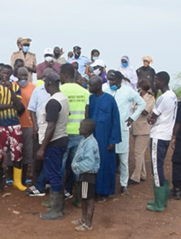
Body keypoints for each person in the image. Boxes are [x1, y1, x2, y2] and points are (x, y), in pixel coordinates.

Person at [103, 70, 146, 195]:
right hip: (108, 129)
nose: (111, 82)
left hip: (122, 128)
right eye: (109, 80)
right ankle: (109, 184)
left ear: (119, 80)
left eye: (113, 80)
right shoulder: (105, 89)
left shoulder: (128, 91)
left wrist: (133, 117)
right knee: (108, 158)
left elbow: (142, 103)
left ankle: (123, 184)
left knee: (123, 159)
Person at [37, 71, 70, 220]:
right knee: (57, 173)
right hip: (61, 139)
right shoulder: (63, 98)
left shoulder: (53, 102)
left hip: (53, 142)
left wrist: (42, 148)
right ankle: (58, 206)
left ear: (49, 84)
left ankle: (56, 210)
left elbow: (51, 126)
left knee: (53, 175)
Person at [0, 65, 27, 191]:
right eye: (2, 73)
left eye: (7, 73)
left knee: (17, 153)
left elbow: (18, 106)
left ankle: (17, 182)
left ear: (10, 74)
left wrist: (11, 90)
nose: (4, 75)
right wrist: (10, 106)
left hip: (14, 124)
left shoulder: (16, 87)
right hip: (0, 124)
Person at [59, 63, 90, 204]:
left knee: (60, 167)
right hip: (80, 134)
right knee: (78, 167)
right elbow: (87, 114)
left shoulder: (60, 90)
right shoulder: (84, 91)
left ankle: (58, 199)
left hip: (63, 134)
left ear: (65, 75)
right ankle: (79, 199)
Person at [147, 71, 177, 212]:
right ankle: (162, 199)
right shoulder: (173, 96)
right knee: (159, 165)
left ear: (163, 81)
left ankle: (159, 202)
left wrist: (148, 119)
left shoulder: (163, 98)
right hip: (166, 135)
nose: (154, 83)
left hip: (158, 135)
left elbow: (152, 118)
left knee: (156, 168)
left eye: (156, 80)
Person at [88, 75, 121, 200]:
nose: (89, 87)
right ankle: (94, 191)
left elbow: (115, 121)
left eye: (91, 85)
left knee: (106, 166)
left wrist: (113, 141)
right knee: (93, 165)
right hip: (93, 138)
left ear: (98, 86)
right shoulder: (90, 99)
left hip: (106, 139)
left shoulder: (109, 100)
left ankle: (105, 192)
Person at [26, 68, 55, 197]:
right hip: (40, 128)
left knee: (50, 156)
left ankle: (46, 182)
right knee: (38, 157)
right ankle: (37, 182)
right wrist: (35, 126)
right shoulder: (37, 91)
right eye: (45, 77)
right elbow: (32, 109)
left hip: (52, 127)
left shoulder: (57, 91)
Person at [71, 119, 100, 231]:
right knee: (84, 197)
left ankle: (88, 223)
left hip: (88, 175)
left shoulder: (89, 144)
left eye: (81, 127)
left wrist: (76, 167)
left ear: (86, 130)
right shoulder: (85, 140)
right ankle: (83, 219)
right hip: (85, 174)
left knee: (89, 199)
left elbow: (89, 163)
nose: (79, 129)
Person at [129, 78, 155, 185]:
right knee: (140, 153)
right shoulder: (137, 96)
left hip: (144, 128)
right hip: (136, 127)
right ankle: (142, 174)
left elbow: (145, 112)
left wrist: (136, 109)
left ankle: (136, 176)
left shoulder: (150, 98)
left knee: (138, 153)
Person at [16, 67, 36, 186]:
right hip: (15, 124)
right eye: (21, 76)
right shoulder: (12, 86)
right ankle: (12, 177)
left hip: (29, 124)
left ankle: (25, 176)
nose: (23, 78)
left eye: (25, 75)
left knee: (28, 152)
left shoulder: (33, 88)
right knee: (15, 152)